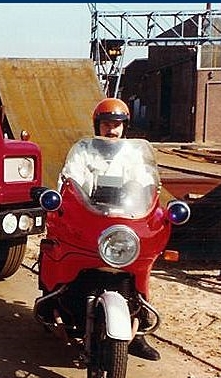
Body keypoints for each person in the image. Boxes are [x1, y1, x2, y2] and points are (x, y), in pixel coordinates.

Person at [58, 97, 161, 362]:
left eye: (117, 124)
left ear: (125, 127)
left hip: (125, 220)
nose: (111, 130)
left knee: (139, 268)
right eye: (106, 124)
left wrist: (141, 190)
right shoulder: (84, 152)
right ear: (98, 125)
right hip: (91, 219)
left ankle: (137, 334)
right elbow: (72, 179)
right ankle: (58, 302)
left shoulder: (133, 154)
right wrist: (75, 193)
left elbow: (145, 182)